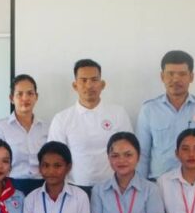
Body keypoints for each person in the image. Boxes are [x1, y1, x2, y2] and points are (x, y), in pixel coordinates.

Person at [47, 59, 132, 189]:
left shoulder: (118, 113)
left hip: (112, 187)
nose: (89, 85)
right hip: (75, 187)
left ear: (102, 84)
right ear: (75, 85)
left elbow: (129, 152)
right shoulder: (61, 119)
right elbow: (54, 158)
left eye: (94, 80)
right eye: (83, 80)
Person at [136, 50, 195, 180]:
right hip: (158, 183)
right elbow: (142, 155)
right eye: (170, 74)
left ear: (191, 77)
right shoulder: (149, 110)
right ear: (162, 76)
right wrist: (142, 186)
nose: (175, 79)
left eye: (182, 74)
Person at [0, 73, 48, 196]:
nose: (25, 98)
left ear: (36, 97)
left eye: (30, 93)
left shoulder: (46, 128)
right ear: (11, 98)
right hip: (12, 185)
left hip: (42, 186)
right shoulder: (1, 127)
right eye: (19, 94)